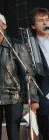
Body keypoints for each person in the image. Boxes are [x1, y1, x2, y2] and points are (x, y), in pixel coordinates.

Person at [0, 11, 39, 140]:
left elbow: (28, 73)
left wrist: (33, 99)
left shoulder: (16, 45)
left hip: (14, 96)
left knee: (14, 133)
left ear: (4, 25)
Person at [29, 7, 49, 140]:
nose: (45, 23)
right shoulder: (30, 44)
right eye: (41, 20)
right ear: (33, 25)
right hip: (44, 95)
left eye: (47, 20)